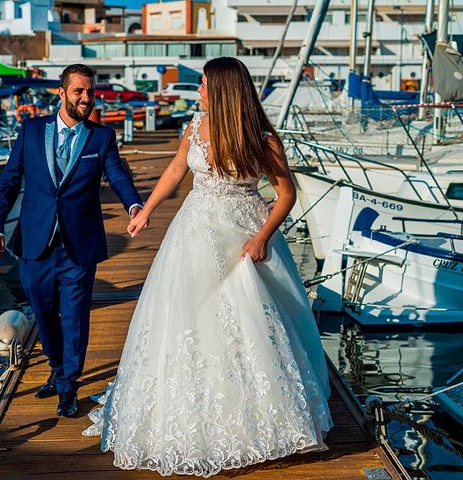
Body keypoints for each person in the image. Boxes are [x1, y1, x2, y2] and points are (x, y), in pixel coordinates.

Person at [82, 57, 333, 476]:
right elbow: (177, 169)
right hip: (195, 232)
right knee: (188, 318)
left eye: (202, 84)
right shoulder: (196, 126)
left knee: (249, 319)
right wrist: (147, 208)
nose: (197, 90)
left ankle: (260, 416)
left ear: (222, 90)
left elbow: (286, 195)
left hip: (244, 234)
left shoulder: (264, 140)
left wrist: (261, 237)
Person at [0, 64, 143, 417]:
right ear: (62, 93)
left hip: (79, 246)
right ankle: (57, 372)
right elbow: (10, 181)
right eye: (79, 91)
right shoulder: (30, 130)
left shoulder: (101, 138)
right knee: (43, 313)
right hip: (35, 243)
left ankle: (68, 388)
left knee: (74, 318)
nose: (86, 98)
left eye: (90, 92)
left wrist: (134, 204)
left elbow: (116, 174)